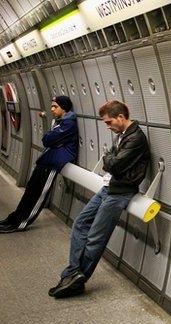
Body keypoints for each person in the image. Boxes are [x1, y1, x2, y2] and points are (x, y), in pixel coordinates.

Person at [49, 100, 150, 299]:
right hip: (108, 188)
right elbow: (109, 158)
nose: (107, 126)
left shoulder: (136, 138)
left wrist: (109, 159)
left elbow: (115, 164)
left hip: (121, 192)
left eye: (109, 122)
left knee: (96, 237)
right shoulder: (122, 135)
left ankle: (78, 280)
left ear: (121, 117)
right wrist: (109, 159)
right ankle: (72, 273)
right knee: (80, 223)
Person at [0, 96, 78, 233]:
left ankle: (20, 223)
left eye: (55, 106)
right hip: (46, 160)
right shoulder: (59, 122)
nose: (52, 109)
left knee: (38, 196)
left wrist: (51, 137)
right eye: (51, 106)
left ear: (64, 108)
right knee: (29, 192)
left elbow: (47, 139)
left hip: (54, 163)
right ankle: (14, 218)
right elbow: (50, 139)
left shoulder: (69, 123)